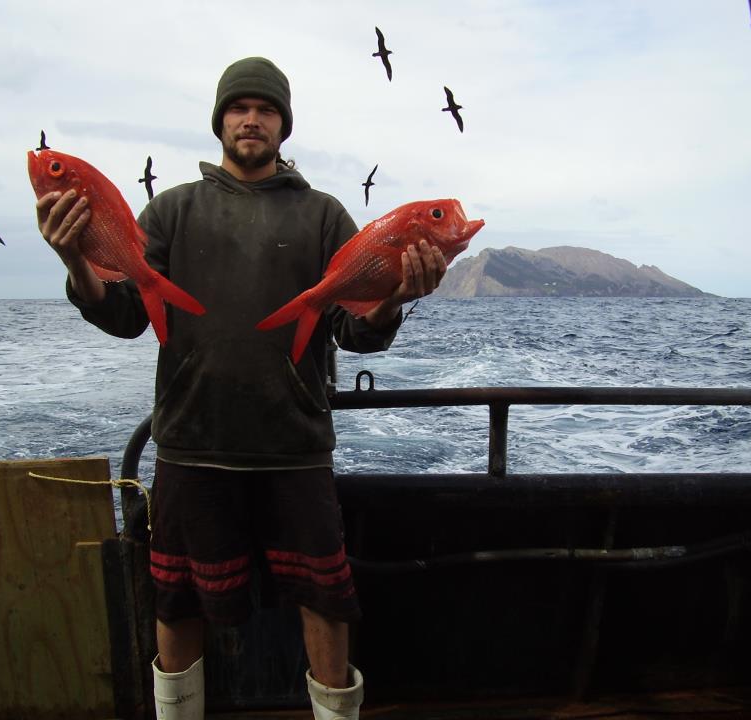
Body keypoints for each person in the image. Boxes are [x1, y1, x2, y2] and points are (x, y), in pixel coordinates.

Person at [35, 57, 447, 720]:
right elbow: (124, 315)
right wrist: (74, 261)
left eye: (266, 108)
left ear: (284, 125)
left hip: (296, 445)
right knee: (177, 600)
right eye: (237, 107)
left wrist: (395, 298)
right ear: (220, 120)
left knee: (327, 599)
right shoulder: (170, 210)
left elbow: (353, 329)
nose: (250, 118)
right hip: (193, 444)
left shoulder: (324, 215)